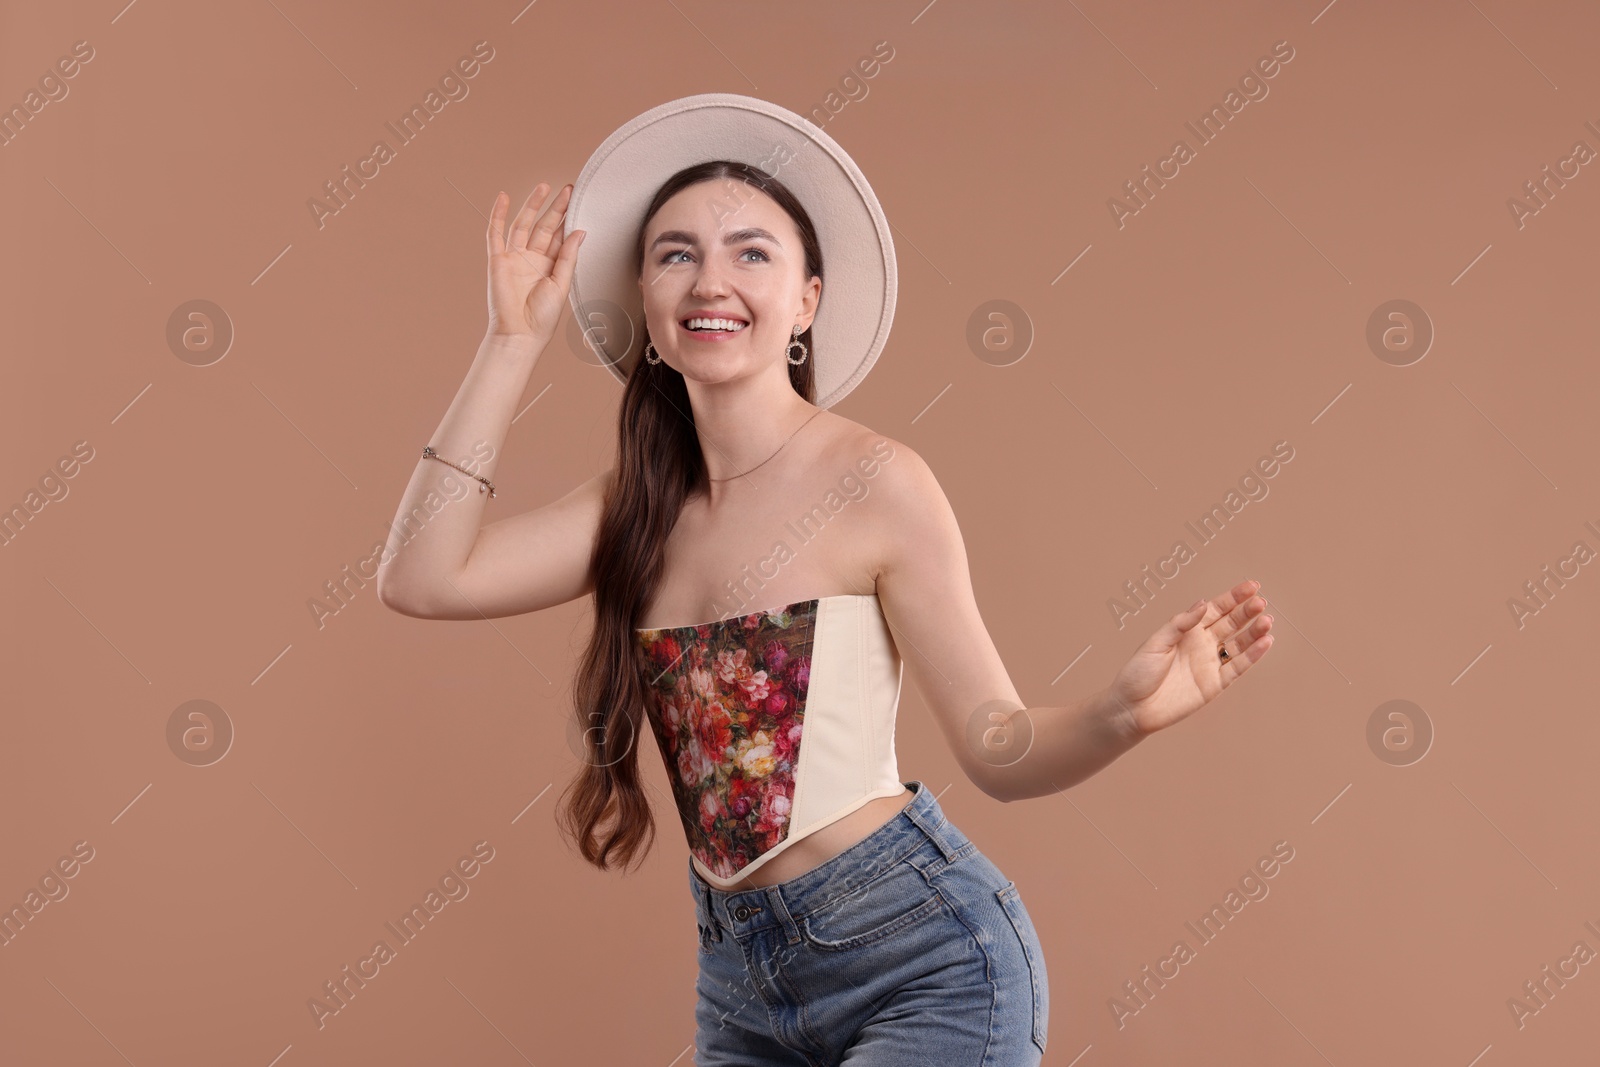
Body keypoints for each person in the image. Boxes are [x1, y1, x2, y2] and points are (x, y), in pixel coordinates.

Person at [376, 94, 1274, 1067]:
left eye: (750, 252)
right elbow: (422, 574)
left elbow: (997, 751)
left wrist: (1122, 712)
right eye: (675, 253)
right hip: (739, 984)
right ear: (643, 298)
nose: (709, 278)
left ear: (806, 299)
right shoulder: (629, 506)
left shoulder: (874, 482)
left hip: (921, 958)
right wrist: (510, 342)